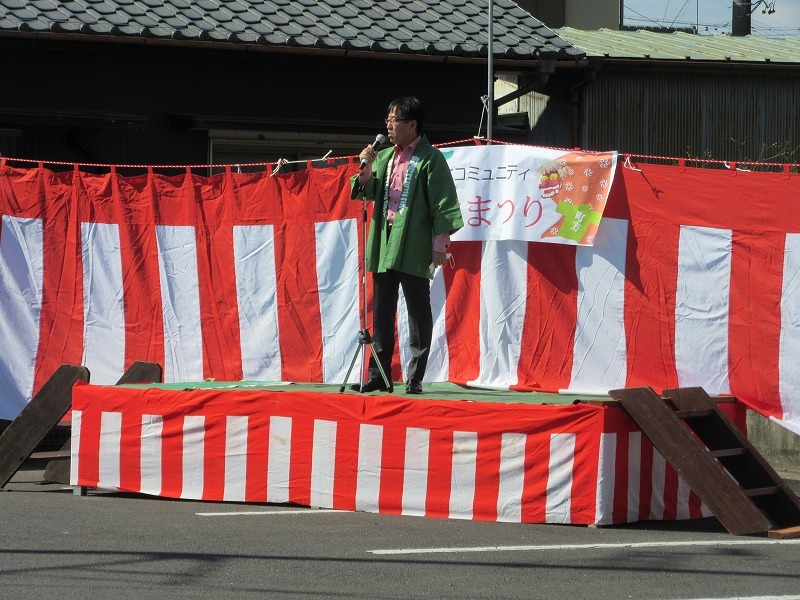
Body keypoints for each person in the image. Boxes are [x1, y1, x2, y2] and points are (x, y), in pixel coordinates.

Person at [350, 96, 463, 395]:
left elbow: (443, 203)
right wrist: (366, 167)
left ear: (412, 125)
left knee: (417, 311)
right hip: (385, 239)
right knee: (382, 310)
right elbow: (366, 190)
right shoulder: (384, 157)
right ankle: (379, 374)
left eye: (395, 119)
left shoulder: (430, 158)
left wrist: (441, 244)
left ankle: (415, 375)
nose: (388, 124)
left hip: (413, 242)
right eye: (387, 118)